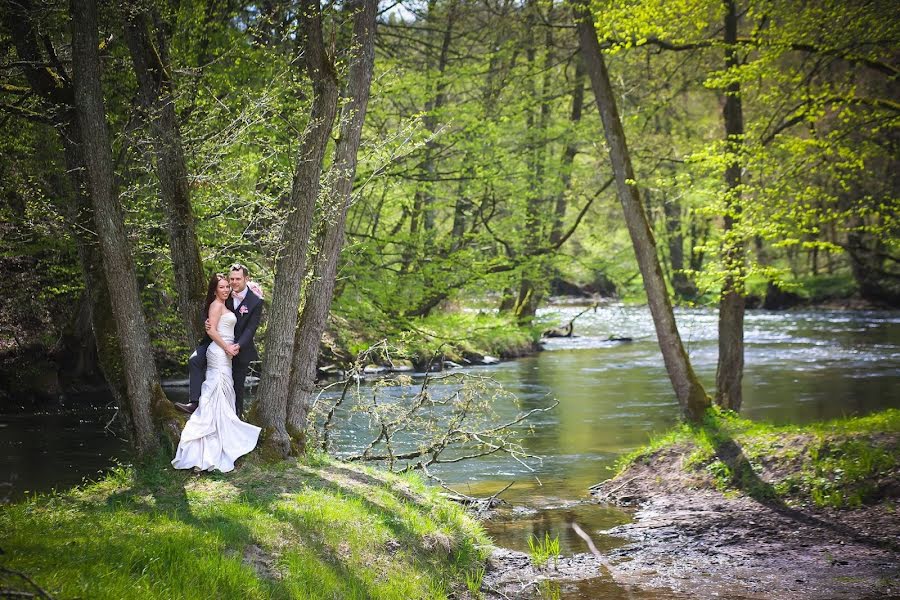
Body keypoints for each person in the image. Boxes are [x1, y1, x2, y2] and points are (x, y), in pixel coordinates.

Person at [172, 274, 260, 472]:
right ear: (214, 290)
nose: (226, 289)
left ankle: (222, 435)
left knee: (224, 392)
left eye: (227, 286)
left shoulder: (229, 304)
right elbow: (211, 332)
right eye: (222, 287)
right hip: (219, 352)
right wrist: (227, 348)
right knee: (216, 389)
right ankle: (207, 442)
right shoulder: (216, 305)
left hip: (227, 353)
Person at [176, 263, 262, 418]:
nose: (234, 283)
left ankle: (236, 417)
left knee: (236, 386)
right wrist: (207, 322)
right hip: (216, 342)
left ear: (246, 279)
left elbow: (251, 328)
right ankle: (195, 403)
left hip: (239, 347)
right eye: (232, 279)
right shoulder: (225, 293)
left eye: (238, 279)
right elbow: (212, 308)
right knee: (195, 360)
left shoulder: (255, 301)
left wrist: (238, 345)